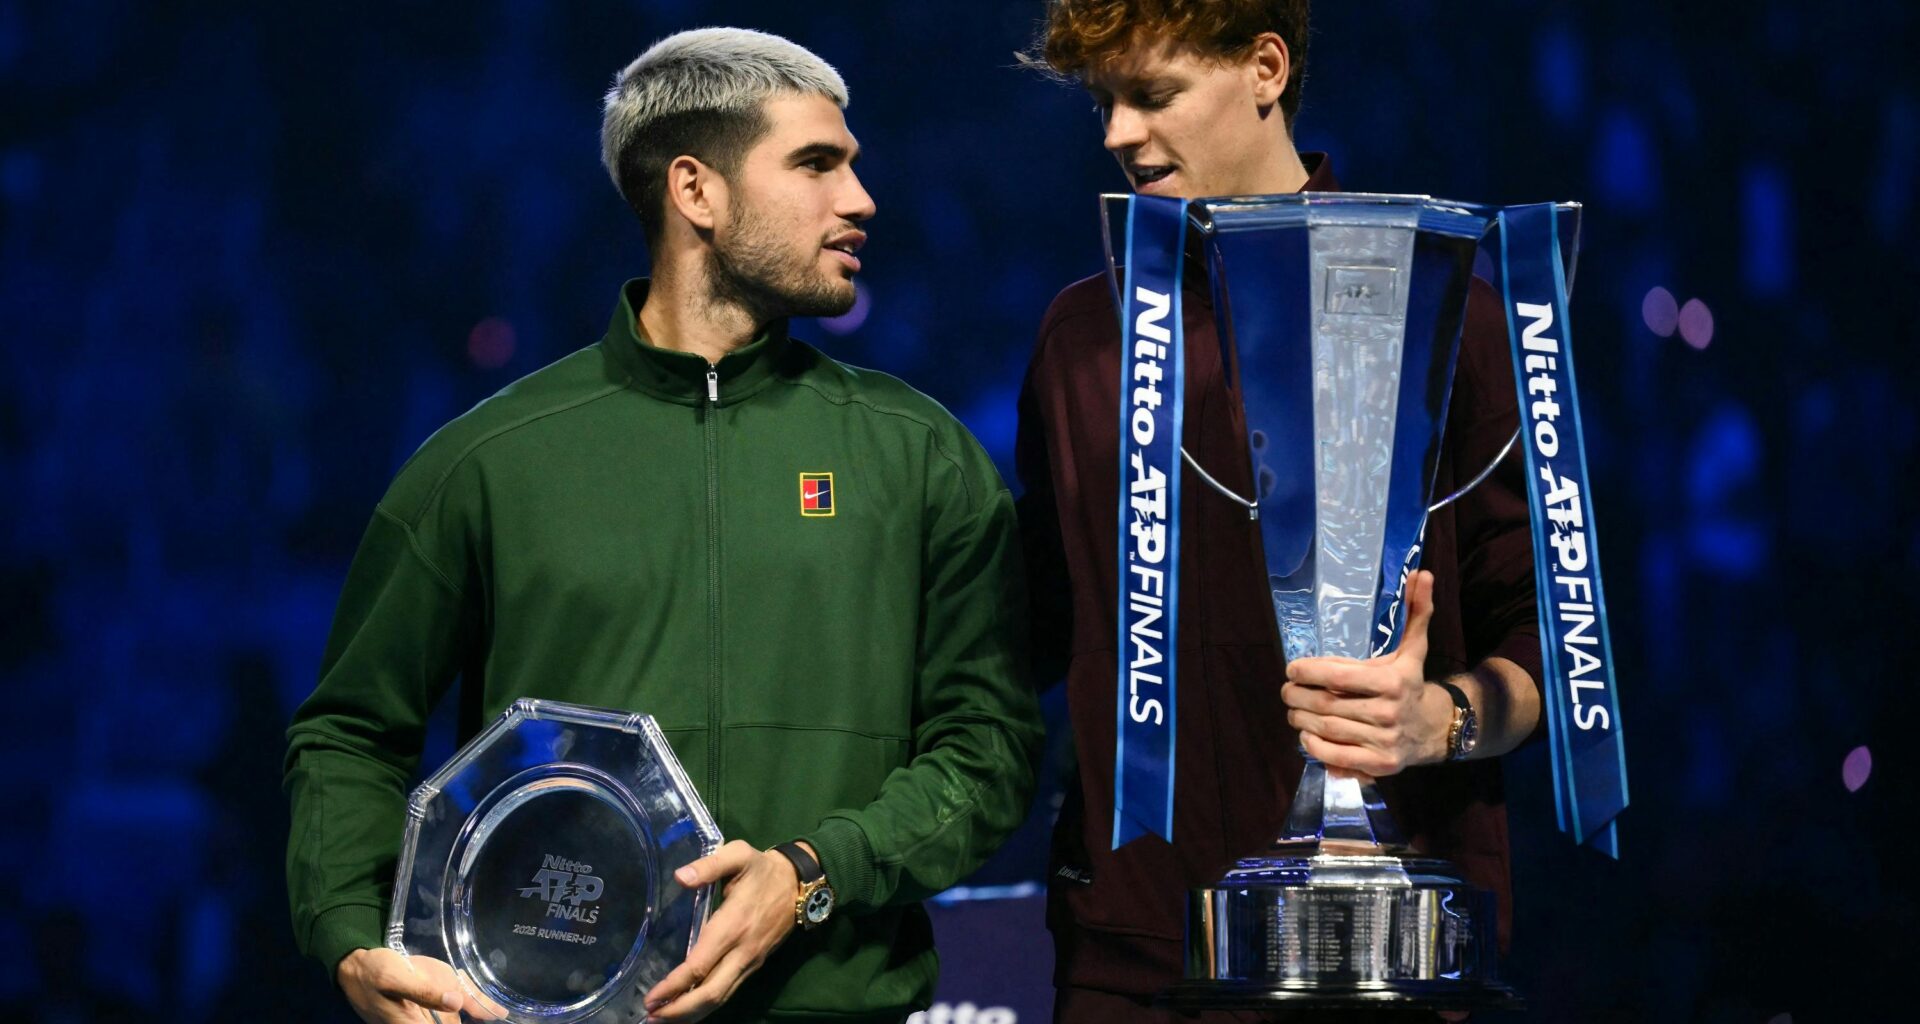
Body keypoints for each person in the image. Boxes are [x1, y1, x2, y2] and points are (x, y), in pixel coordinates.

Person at [285, 27, 1042, 1024]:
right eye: (817, 164)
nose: (860, 199)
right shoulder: (488, 461)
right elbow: (349, 731)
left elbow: (989, 746)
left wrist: (810, 872)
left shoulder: (923, 456)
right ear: (696, 191)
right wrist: (349, 935)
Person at [1015, 2, 1544, 1020]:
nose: (1118, 133)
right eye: (1104, 102)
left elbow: (1552, 650)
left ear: (1266, 69)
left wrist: (1440, 718)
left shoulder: (1451, 314)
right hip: (1136, 959)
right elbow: (1038, 629)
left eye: (1152, 94)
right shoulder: (1084, 338)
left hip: (1381, 952)